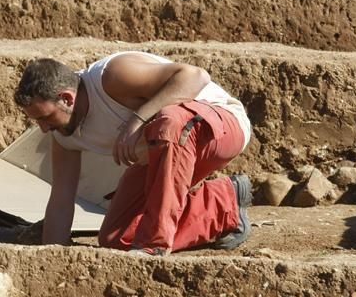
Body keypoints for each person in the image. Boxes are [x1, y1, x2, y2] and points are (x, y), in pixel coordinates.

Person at [13, 50, 253, 255]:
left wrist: (136, 121)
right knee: (118, 237)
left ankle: (153, 245)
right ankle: (225, 202)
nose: (43, 128)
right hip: (165, 150)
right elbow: (61, 199)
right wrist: (53, 251)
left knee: (170, 121)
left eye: (45, 117)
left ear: (67, 98)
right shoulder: (63, 135)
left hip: (220, 125)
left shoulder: (112, 76)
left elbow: (195, 76)